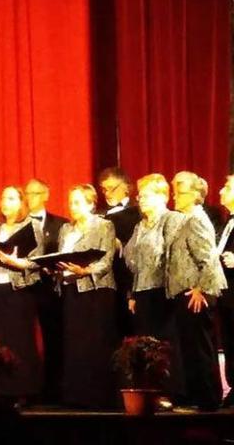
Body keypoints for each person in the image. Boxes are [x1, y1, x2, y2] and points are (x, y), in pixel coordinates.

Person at [0, 186, 43, 404]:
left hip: (17, 288)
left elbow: (37, 260)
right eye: (3, 197)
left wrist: (17, 263)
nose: (6, 202)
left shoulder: (32, 225)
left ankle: (21, 389)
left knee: (18, 339)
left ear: (21, 203)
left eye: (12, 198)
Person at [53, 184, 117, 409]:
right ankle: (76, 395)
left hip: (95, 290)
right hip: (71, 288)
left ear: (91, 204)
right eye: (71, 202)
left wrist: (86, 271)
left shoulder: (104, 226)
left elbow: (106, 261)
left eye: (78, 202)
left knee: (95, 342)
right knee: (75, 342)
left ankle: (98, 395)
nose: (73, 207)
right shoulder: (65, 229)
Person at [123, 173, 185, 403]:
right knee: (146, 342)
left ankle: (171, 391)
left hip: (164, 290)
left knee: (165, 341)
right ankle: (151, 390)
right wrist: (132, 293)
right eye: (140, 195)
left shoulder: (172, 219)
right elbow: (131, 260)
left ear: (162, 196)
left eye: (146, 195)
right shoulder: (140, 226)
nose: (141, 199)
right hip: (143, 290)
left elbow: (174, 257)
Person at [168, 171, 226, 411]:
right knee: (191, 347)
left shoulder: (196, 219)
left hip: (197, 291)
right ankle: (199, 399)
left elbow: (209, 258)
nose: (175, 197)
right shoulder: (185, 219)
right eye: (174, 191)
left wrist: (201, 289)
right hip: (187, 290)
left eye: (180, 192)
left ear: (195, 195)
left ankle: (208, 401)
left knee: (199, 347)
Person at [24, 178, 66, 403]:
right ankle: (27, 386)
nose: (31, 197)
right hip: (23, 288)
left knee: (53, 337)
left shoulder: (61, 224)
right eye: (27, 193)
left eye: (36, 193)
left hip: (50, 289)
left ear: (46, 195)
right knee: (24, 337)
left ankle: (53, 388)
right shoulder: (17, 223)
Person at [98, 167, 141, 337]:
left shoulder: (136, 213)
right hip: (104, 279)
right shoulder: (98, 214)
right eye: (104, 189)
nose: (107, 193)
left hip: (126, 278)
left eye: (112, 188)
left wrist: (120, 244)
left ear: (126, 187)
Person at [215, 175, 234, 407]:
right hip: (227, 294)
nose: (221, 190)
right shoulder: (226, 222)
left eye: (227, 187)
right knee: (229, 341)